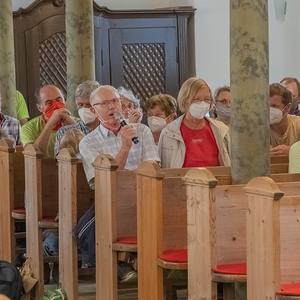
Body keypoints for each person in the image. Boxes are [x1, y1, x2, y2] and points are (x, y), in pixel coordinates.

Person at [79, 85, 160, 282]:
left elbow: (153, 167)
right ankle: (117, 265)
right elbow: (103, 183)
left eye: (114, 101)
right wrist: (125, 148)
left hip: (144, 194)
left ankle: (148, 266)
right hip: (111, 198)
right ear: (94, 110)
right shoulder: (88, 142)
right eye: (104, 103)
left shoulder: (142, 130)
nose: (111, 107)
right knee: (91, 223)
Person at [158, 77, 231, 168]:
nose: (203, 103)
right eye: (197, 99)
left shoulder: (221, 130)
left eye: (206, 99)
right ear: (185, 101)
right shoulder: (169, 132)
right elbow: (161, 169)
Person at [20, 85, 75, 158]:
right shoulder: (28, 128)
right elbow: (34, 156)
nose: (56, 105)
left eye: (59, 100)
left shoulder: (78, 123)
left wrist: (72, 125)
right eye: (49, 103)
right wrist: (51, 122)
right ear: (40, 108)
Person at [54, 80, 100, 156]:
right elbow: (60, 164)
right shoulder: (64, 132)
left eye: (88, 105)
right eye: (80, 104)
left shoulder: (109, 131)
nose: (84, 108)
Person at [270, 83, 300, 156]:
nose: (269, 110)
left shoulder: (297, 124)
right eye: (266, 105)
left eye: (274, 106)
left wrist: (292, 151)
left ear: (287, 108)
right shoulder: (259, 128)